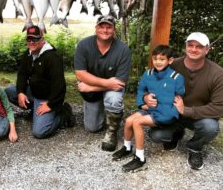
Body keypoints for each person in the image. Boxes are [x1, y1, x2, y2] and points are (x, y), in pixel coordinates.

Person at [145, 32, 223, 170]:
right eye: (190, 45)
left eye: (199, 46)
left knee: (210, 127)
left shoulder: (217, 73)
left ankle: (195, 147)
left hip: (199, 117)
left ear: (207, 49)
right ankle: (176, 133)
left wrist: (186, 110)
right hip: (173, 114)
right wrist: (147, 96)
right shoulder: (172, 64)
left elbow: (219, 107)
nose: (194, 49)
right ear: (185, 46)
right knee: (155, 135)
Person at [112, 45, 185, 172]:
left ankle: (140, 158)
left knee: (137, 122)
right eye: (155, 59)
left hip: (165, 113)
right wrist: (143, 101)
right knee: (129, 120)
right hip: (150, 109)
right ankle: (127, 147)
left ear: (170, 60)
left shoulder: (176, 78)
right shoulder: (148, 73)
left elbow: (178, 99)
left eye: (162, 59)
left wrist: (157, 105)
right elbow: (141, 90)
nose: (158, 62)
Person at [5, 25, 75, 139]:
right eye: (29, 39)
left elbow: (60, 85)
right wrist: (21, 92)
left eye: (35, 39)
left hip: (47, 98)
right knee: (9, 92)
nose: (31, 42)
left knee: (39, 132)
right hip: (34, 92)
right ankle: (35, 110)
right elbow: (22, 75)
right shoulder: (28, 54)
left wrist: (50, 104)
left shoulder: (52, 57)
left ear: (42, 39)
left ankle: (63, 114)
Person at [74, 15, 131, 151]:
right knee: (92, 128)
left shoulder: (123, 50)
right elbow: (80, 74)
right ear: (96, 28)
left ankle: (112, 131)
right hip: (102, 87)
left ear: (114, 30)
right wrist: (106, 84)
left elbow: (119, 83)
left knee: (114, 98)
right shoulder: (83, 45)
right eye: (101, 26)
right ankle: (106, 113)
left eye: (109, 27)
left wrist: (91, 87)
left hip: (109, 88)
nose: (105, 30)